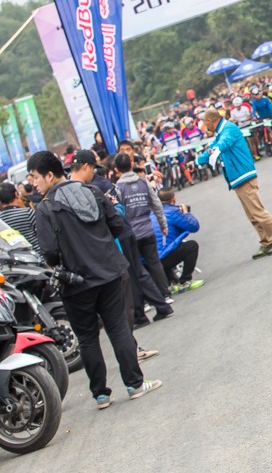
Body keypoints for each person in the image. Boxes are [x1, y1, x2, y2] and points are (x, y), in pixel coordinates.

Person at [28, 151, 162, 409]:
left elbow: (49, 252)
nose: (34, 183)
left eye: (35, 177)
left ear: (48, 175)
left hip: (75, 284)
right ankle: (134, 385)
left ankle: (101, 394)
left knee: (88, 338)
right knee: (119, 328)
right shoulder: (92, 193)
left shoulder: (45, 209)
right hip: (109, 272)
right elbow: (120, 228)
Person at [197, 108, 272, 260]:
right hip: (236, 177)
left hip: (243, 175)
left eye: (205, 123)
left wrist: (217, 149)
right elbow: (212, 148)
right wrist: (196, 161)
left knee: (258, 211)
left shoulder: (228, 129)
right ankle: (267, 241)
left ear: (209, 121)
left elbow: (223, 144)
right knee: (252, 214)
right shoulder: (220, 132)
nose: (205, 127)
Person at [114, 153, 173, 302]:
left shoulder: (118, 188)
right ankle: (165, 294)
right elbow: (156, 204)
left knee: (137, 268)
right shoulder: (143, 182)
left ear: (116, 169)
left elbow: (118, 212)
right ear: (132, 164)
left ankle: (146, 300)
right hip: (147, 229)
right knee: (154, 262)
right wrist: (162, 224)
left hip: (131, 233)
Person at [153, 188, 204, 293]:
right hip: (164, 256)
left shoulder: (151, 212)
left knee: (166, 247)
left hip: (152, 259)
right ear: (174, 199)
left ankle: (169, 283)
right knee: (192, 246)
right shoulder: (172, 211)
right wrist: (186, 213)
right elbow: (194, 226)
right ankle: (184, 281)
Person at [0, 181, 39, 248]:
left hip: (16, 257)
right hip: (37, 255)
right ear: (16, 194)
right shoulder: (28, 213)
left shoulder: (1, 222)